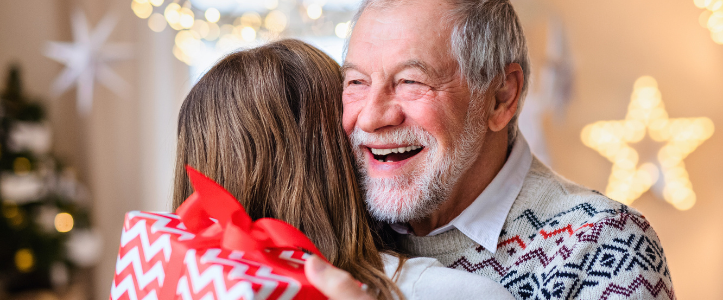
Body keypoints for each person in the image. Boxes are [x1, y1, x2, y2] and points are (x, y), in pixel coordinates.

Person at [309, 0, 676, 299]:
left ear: (501, 98)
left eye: (410, 81)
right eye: (356, 82)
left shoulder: (604, 245)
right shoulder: (326, 220)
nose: (371, 117)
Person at [172, 39, 514, 299]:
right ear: (332, 153)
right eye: (354, 90)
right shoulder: (447, 291)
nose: (369, 121)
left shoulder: (170, 274)